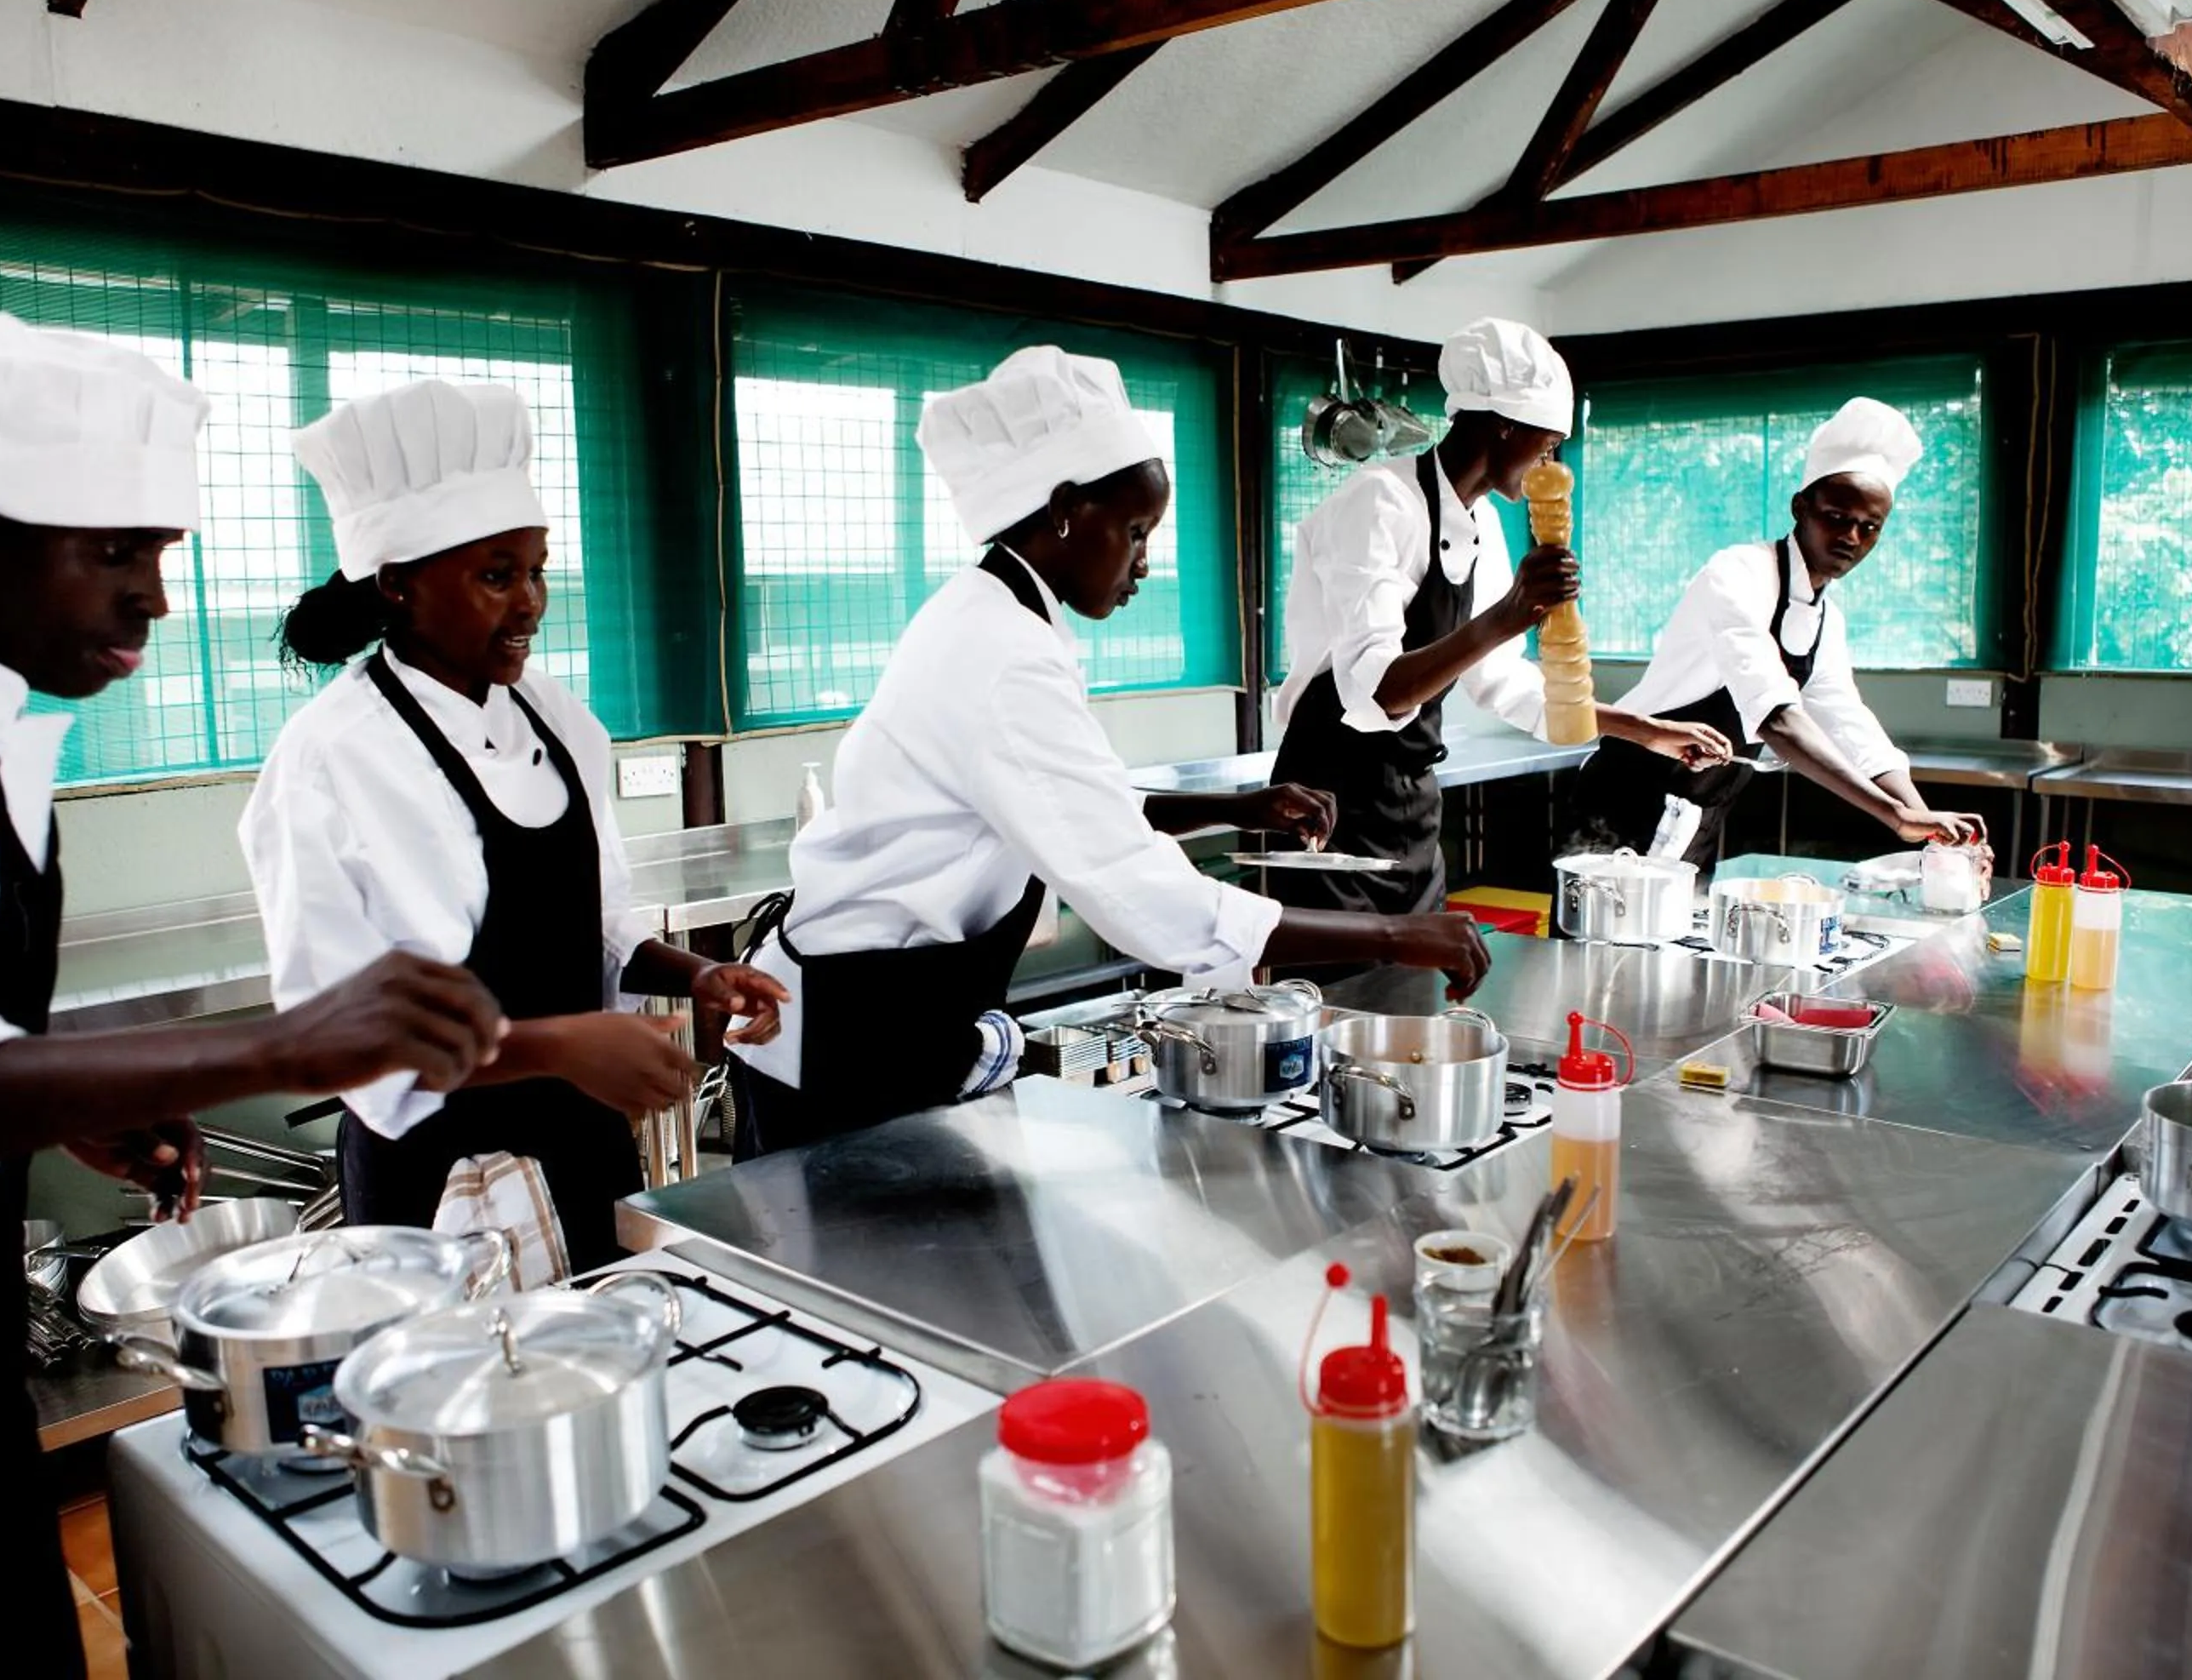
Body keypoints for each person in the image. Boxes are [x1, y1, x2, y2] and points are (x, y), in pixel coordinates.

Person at [0, 315, 510, 1677]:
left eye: (161, 555)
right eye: (110, 552)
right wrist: (267, 1041)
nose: (152, 597)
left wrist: (69, 1107)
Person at [725, 345, 1493, 1158]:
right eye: (1133, 532)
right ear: (1064, 513)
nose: (1144, 564)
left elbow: (1071, 804)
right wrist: (1394, 935)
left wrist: (1235, 810)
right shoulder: (998, 651)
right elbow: (1136, 891)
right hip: (850, 1034)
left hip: (897, 1016)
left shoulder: (1005, 615)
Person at [242, 379, 786, 1272]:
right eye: (497, 575)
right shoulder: (332, 757)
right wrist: (567, 1045)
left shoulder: (556, 718)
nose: (531, 602)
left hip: (583, 1142)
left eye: (536, 569)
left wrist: (699, 974)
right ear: (398, 585)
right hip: (435, 1176)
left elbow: (598, 927)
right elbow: (337, 1033)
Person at [1270, 318, 1729, 924]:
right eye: (1546, 443)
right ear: (1504, 424)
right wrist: (1511, 614)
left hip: (1411, 803)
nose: (1552, 460)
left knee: (1417, 1005)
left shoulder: (1480, 523)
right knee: (1343, 1004)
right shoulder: (1379, 501)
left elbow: (1502, 683)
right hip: (1326, 803)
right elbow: (1374, 690)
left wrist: (1641, 729)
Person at [1565, 396, 1988, 871]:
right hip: (1625, 800)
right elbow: (1774, 717)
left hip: (1696, 812)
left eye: (1870, 527)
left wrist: (1923, 817)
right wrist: (1895, 816)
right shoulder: (1738, 573)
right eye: (1837, 517)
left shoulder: (1826, 619)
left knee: (1668, 943)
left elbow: (1850, 726)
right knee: (1596, 945)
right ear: (1800, 506)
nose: (1852, 537)